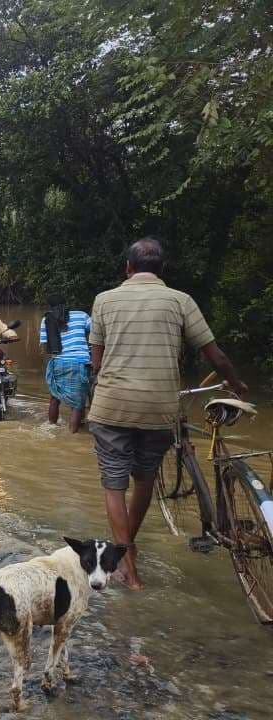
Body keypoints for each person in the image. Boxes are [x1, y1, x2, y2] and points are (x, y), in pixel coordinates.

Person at [88, 237, 247, 591]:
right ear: (163, 270)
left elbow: (96, 361)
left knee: (114, 484)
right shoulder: (180, 300)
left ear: (128, 269)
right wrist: (235, 384)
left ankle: (127, 564)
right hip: (159, 408)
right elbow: (215, 356)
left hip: (112, 405)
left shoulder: (104, 300)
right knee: (144, 479)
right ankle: (130, 549)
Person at [40, 293, 92, 433]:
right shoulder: (82, 315)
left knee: (54, 398)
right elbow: (95, 333)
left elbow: (46, 347)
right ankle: (72, 436)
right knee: (77, 404)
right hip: (79, 362)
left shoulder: (46, 319)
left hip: (57, 362)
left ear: (49, 306)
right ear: (66, 303)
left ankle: (51, 427)